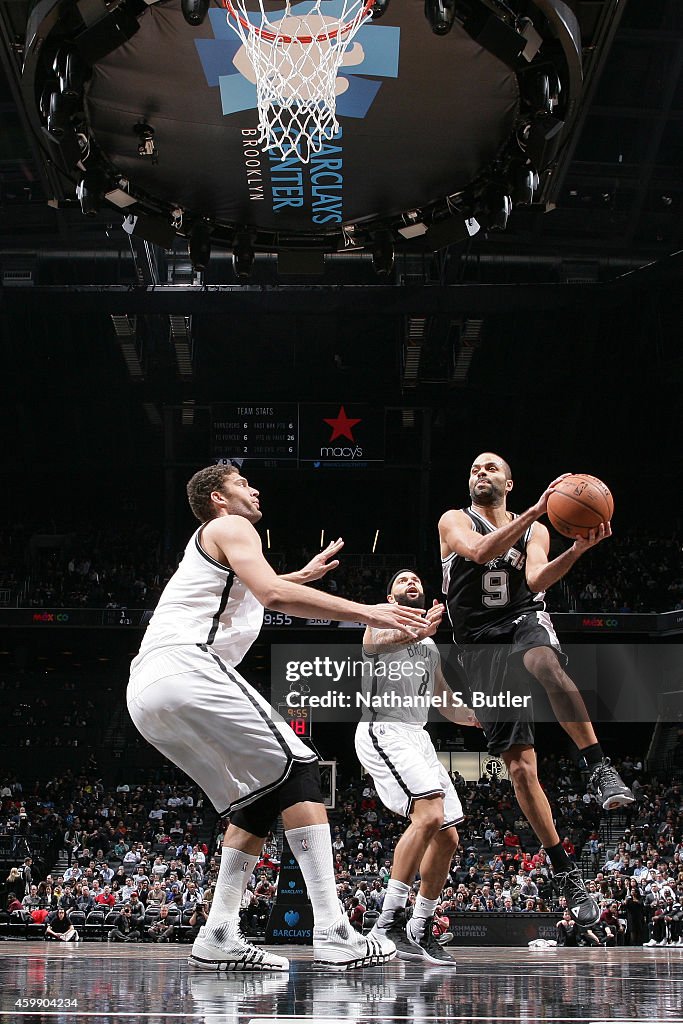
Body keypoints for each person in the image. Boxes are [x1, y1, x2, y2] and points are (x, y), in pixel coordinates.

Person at [127, 463, 427, 972]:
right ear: (219, 498)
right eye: (243, 483)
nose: (255, 488)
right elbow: (271, 594)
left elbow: (256, 587)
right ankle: (334, 931)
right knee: (301, 765)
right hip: (188, 664)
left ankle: (219, 932)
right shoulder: (232, 526)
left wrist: (300, 576)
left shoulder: (208, 548)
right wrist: (372, 612)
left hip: (146, 692)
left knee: (262, 795)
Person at [439, 452, 634, 927]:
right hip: (478, 644)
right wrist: (538, 508)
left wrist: (577, 550)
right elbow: (481, 553)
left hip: (522, 619)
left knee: (544, 660)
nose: (479, 473)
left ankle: (599, 766)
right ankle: (564, 869)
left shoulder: (537, 531)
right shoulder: (452, 520)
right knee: (522, 769)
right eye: (473, 469)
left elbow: (536, 579)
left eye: (489, 468)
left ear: (509, 480)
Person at [355, 569, 479, 965]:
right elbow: (381, 645)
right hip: (383, 729)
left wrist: (482, 718)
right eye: (402, 580)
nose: (412, 582)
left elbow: (444, 700)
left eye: (416, 580)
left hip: (418, 737)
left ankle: (420, 926)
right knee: (427, 817)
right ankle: (386, 922)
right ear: (391, 597)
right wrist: (421, 627)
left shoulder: (430, 647)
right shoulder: (379, 621)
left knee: (448, 837)